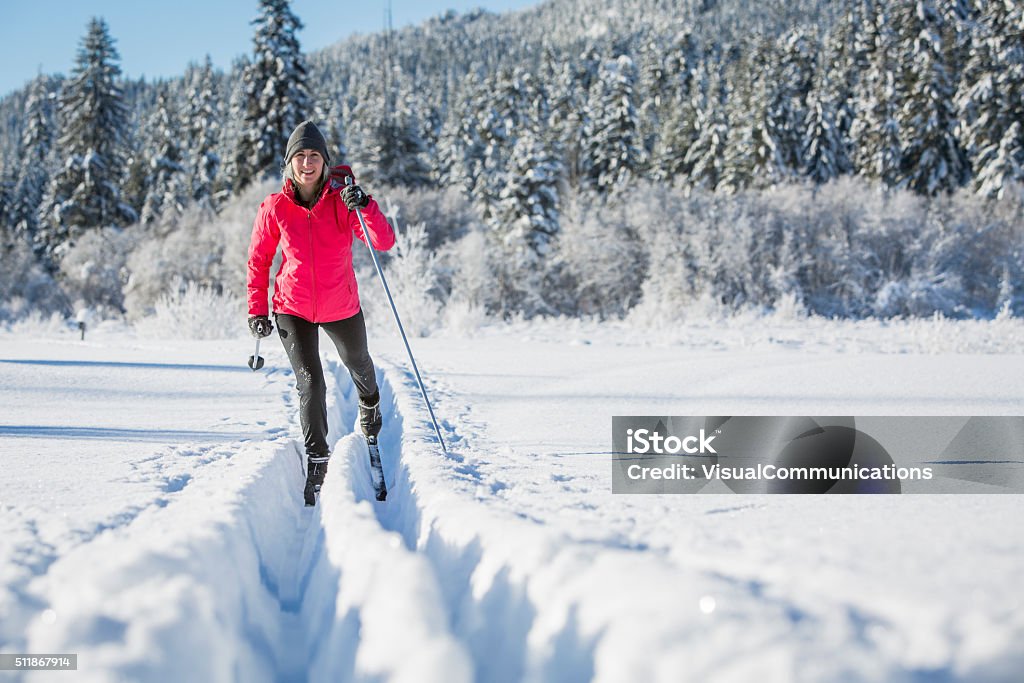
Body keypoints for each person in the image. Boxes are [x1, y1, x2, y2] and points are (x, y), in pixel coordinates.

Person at [247, 120, 396, 506]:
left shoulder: (344, 201)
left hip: (340, 304)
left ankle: (370, 411)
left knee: (360, 364)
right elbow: (259, 260)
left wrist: (366, 206)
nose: (307, 163)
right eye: (300, 156)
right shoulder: (275, 207)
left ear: (325, 162)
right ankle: (317, 457)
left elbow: (384, 241)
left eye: (314, 156)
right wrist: (256, 310)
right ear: (290, 164)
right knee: (310, 382)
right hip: (291, 307)